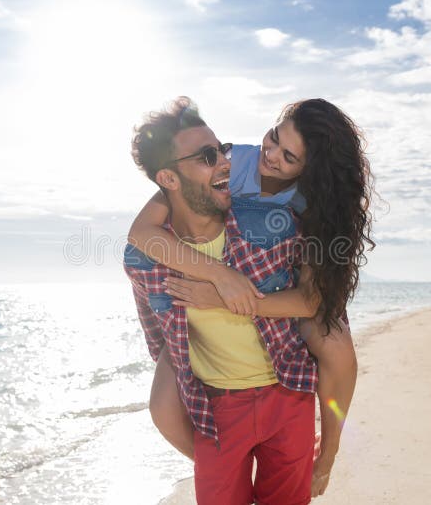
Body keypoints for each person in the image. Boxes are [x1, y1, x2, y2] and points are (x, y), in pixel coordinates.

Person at [128, 97, 373, 497]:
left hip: (286, 282)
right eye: (273, 139)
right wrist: (220, 276)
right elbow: (143, 230)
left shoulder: (315, 204)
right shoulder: (235, 161)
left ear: (312, 172)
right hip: (229, 271)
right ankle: (230, 466)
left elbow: (310, 300)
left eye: (288, 156)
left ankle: (325, 456)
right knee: (162, 408)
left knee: (339, 352)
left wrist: (230, 298)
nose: (271, 156)